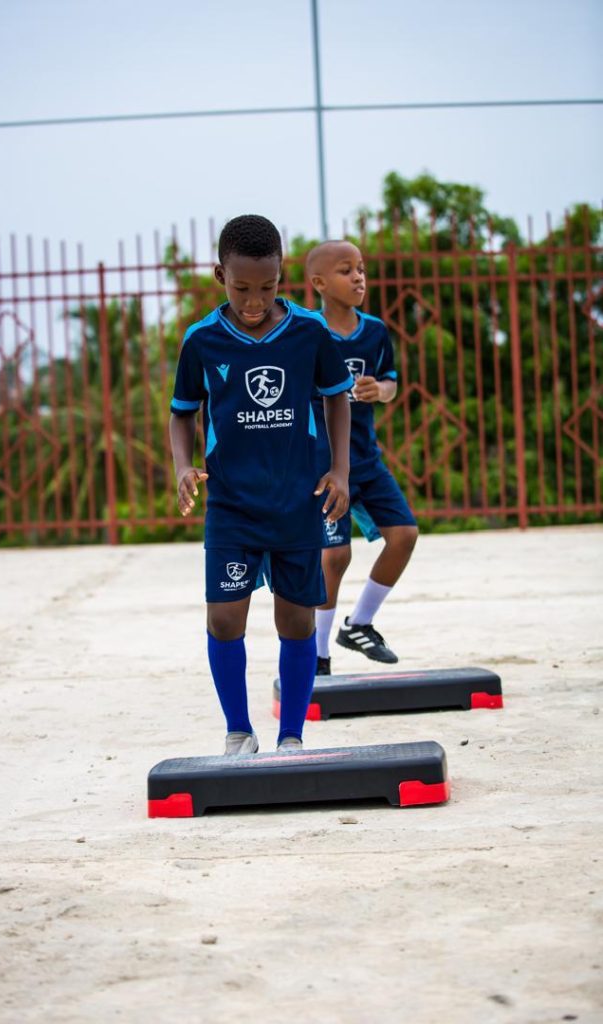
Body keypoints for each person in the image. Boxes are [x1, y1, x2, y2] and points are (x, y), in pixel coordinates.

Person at [169, 215, 353, 753]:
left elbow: (337, 397)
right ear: (219, 276)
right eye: (241, 287)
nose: (254, 301)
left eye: (267, 287)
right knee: (225, 618)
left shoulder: (308, 331)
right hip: (232, 505)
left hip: (298, 500)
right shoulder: (202, 340)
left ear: (281, 276)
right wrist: (182, 466)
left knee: (295, 620)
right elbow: (182, 412)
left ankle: (291, 737)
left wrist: (340, 470)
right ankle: (238, 732)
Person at [307, 240, 418, 675]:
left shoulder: (374, 331)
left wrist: (380, 391)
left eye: (361, 269)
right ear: (319, 283)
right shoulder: (306, 333)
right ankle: (317, 655)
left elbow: (390, 381)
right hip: (324, 466)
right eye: (345, 270)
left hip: (366, 461)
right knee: (335, 557)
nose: (358, 277)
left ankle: (359, 624)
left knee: (404, 535)